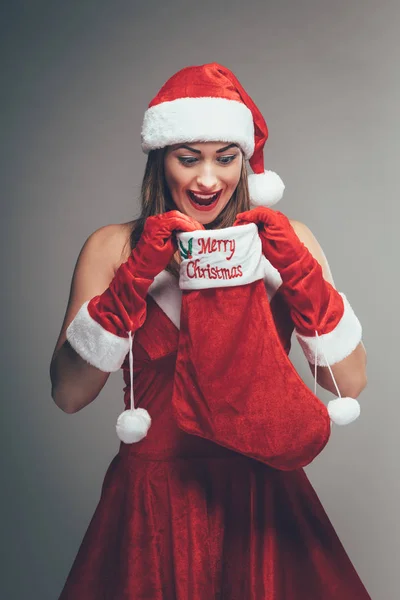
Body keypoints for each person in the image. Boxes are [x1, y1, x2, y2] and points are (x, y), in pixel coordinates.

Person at [51, 63, 371, 599]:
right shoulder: (112, 248)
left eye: (226, 159)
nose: (207, 180)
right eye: (188, 158)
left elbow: (351, 382)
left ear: (245, 163)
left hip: (262, 499)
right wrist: (133, 279)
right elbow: (68, 394)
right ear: (161, 161)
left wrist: (296, 270)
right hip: (150, 504)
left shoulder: (286, 238)